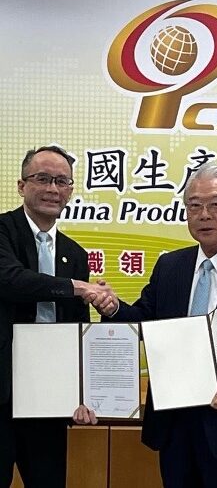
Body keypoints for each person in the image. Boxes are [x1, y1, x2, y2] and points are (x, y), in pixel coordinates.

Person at [93, 163, 217, 488]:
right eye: (194, 205)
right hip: (176, 424)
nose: (204, 215)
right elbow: (146, 321)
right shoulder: (171, 266)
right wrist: (114, 308)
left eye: (215, 204)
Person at [0, 145, 111, 488]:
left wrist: (83, 392)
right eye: (43, 179)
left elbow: (77, 329)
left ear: (70, 190)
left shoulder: (74, 254)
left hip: (48, 396)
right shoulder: (3, 231)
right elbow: (10, 280)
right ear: (21, 185)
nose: (53, 188)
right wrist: (77, 287)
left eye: (62, 181)